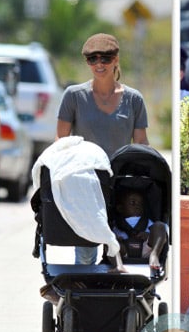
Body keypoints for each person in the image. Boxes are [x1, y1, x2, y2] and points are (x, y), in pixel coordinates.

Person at [57, 33, 150, 265]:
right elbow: (61, 140)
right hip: (85, 181)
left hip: (121, 182)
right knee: (86, 253)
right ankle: (83, 292)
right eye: (92, 59)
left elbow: (141, 143)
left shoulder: (134, 99)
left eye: (105, 58)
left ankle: (112, 289)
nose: (99, 64)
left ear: (116, 59)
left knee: (118, 248)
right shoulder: (74, 96)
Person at [112, 189, 168, 276]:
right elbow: (112, 235)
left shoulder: (147, 221)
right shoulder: (116, 223)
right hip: (123, 251)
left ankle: (154, 255)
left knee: (160, 226)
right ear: (120, 208)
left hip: (146, 248)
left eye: (140, 204)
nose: (137, 206)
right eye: (133, 203)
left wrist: (149, 235)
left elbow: (158, 232)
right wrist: (116, 238)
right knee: (109, 240)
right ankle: (118, 265)